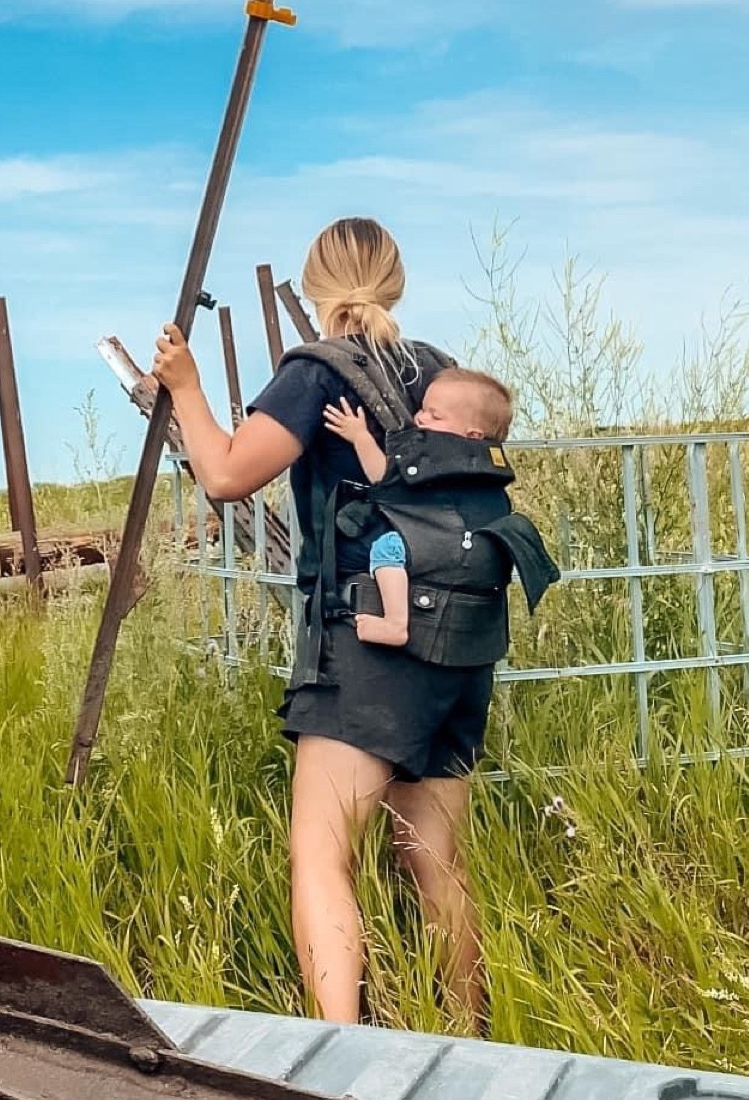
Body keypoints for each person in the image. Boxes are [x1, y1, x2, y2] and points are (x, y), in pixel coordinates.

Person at [151, 217, 556, 1033]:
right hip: (460, 645)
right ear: (394, 282)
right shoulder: (441, 372)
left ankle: (338, 1061)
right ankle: (471, 1042)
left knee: (321, 856)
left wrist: (185, 386)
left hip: (367, 648)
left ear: (313, 286)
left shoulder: (316, 374)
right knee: (436, 862)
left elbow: (225, 474)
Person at [324, 366, 514, 648]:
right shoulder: (488, 465)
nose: (421, 418)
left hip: (433, 547)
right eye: (423, 409)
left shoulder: (435, 456)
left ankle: (394, 623)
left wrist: (360, 437)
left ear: (472, 435)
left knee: (387, 547)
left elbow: (382, 478)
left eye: (435, 416)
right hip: (471, 555)